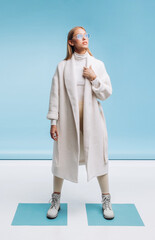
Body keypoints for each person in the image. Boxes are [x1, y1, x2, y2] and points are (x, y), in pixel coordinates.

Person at [46, 26, 114, 220]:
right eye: (79, 36)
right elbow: (55, 95)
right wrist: (53, 121)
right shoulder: (62, 66)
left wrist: (94, 79)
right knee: (61, 157)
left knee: (99, 157)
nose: (85, 38)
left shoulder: (97, 65)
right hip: (68, 120)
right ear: (71, 42)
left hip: (92, 120)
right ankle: (55, 199)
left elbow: (106, 93)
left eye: (86, 35)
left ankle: (106, 198)